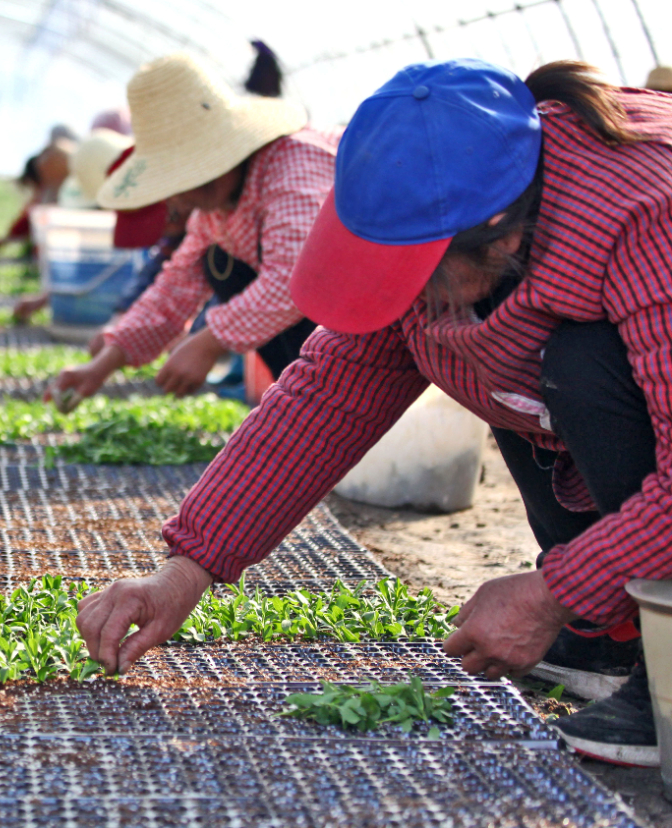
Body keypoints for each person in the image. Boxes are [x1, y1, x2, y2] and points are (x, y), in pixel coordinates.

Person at [76, 58, 672, 768]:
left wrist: (553, 590)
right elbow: (327, 395)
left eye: (419, 274)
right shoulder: (440, 196)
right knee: (488, 356)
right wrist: (187, 567)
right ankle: (615, 632)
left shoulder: (643, 210)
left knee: (580, 366)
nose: (410, 300)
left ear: (503, 237)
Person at [49, 53, 335, 402]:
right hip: (326, 323)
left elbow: (296, 278)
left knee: (228, 266)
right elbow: (174, 287)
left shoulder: (291, 163)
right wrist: (106, 361)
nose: (181, 198)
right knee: (217, 261)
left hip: (379, 318)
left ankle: (326, 398)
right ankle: (307, 397)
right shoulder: (213, 209)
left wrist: (208, 342)